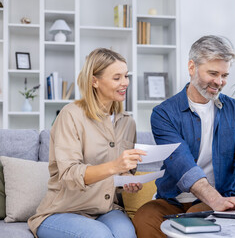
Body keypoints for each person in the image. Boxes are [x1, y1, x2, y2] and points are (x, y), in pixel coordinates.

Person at [133, 35, 235, 237]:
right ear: (191, 67)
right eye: (213, 73)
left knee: (199, 216)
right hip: (172, 200)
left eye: (224, 75)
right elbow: (181, 162)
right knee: (144, 217)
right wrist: (216, 200)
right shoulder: (164, 113)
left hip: (216, 198)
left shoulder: (234, 110)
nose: (219, 82)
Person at [28, 48, 146, 238]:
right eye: (117, 78)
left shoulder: (127, 122)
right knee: (99, 235)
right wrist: (116, 166)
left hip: (105, 209)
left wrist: (127, 178)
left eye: (126, 76)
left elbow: (123, 173)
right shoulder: (71, 115)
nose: (125, 83)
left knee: (127, 235)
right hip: (63, 211)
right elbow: (69, 174)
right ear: (94, 81)